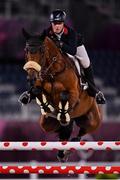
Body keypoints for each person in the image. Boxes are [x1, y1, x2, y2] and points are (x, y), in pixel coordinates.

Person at [19, 9, 106, 105]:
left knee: (86, 63)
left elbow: (72, 51)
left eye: (59, 23)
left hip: (75, 47)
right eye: (54, 23)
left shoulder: (71, 33)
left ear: (63, 23)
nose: (56, 26)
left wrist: (60, 44)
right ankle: (30, 93)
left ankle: (94, 91)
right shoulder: (47, 32)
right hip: (58, 53)